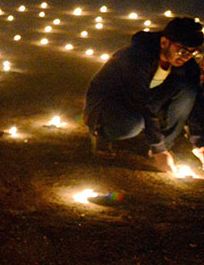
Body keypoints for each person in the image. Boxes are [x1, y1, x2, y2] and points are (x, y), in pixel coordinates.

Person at [84, 17, 204, 174]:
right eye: (182, 50)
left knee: (188, 90)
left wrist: (200, 144)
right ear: (164, 43)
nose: (186, 57)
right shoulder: (136, 57)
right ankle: (103, 135)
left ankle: (160, 148)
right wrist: (158, 149)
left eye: (192, 52)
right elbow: (140, 101)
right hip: (108, 105)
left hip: (144, 101)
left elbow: (193, 102)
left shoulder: (187, 66)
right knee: (133, 123)